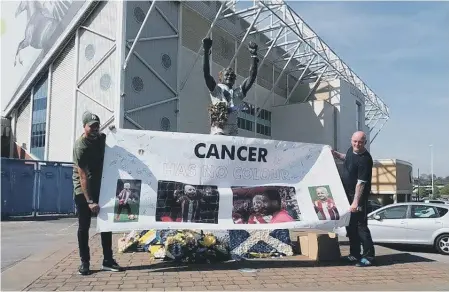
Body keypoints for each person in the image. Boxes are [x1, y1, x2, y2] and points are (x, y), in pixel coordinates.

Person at [73, 111, 123, 275]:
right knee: (84, 226)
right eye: (91, 126)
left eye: (97, 126)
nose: (95, 129)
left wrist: (115, 132)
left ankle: (107, 260)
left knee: (106, 225)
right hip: (83, 189)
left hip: (101, 186)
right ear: (84, 127)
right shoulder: (81, 146)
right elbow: (83, 175)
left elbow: (116, 142)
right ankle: (85, 262)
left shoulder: (101, 138)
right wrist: (89, 201)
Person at [332, 131, 375, 267]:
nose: (357, 144)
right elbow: (348, 158)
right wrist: (337, 155)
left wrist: (355, 202)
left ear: (365, 143)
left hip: (358, 197)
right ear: (351, 140)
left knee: (361, 227)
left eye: (360, 142)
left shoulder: (365, 159)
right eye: (355, 141)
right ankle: (354, 254)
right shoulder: (351, 150)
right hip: (346, 194)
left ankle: (369, 256)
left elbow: (361, 183)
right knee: (350, 227)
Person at [202, 37, 259, 136]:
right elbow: (206, 73)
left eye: (232, 76)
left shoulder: (238, 92)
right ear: (221, 77)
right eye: (227, 74)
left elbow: (252, 77)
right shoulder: (216, 89)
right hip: (219, 127)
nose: (230, 76)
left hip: (233, 128)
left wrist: (253, 56)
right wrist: (206, 51)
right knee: (219, 141)